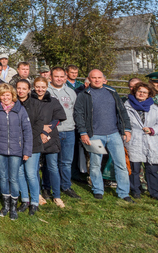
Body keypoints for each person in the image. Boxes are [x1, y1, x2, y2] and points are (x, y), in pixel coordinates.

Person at [73, 69, 133, 202]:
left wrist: (126, 129)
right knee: (95, 165)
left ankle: (123, 192)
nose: (97, 80)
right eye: (93, 78)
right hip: (95, 135)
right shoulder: (84, 95)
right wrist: (83, 133)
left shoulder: (111, 92)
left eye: (99, 77)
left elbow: (121, 111)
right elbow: (78, 114)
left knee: (121, 164)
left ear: (104, 79)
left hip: (114, 134)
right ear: (89, 79)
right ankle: (98, 190)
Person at [18, 77, 67, 215]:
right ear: (33, 87)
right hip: (34, 137)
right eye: (37, 87)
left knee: (52, 167)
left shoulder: (52, 100)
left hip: (49, 137)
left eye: (43, 87)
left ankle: (56, 195)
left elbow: (57, 118)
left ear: (47, 87)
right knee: (32, 170)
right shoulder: (29, 101)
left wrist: (45, 131)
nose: (40, 89)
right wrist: (39, 132)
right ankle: (37, 195)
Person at [0, 83, 32, 220]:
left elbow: (27, 131)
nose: (5, 97)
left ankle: (13, 207)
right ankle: (5, 205)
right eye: (3, 95)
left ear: (12, 95)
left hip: (16, 150)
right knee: (3, 178)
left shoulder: (20, 110)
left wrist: (27, 151)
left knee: (14, 178)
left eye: (8, 95)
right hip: (0, 150)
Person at [124, 81, 158, 202]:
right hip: (134, 139)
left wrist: (153, 130)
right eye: (139, 91)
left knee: (152, 169)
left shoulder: (154, 107)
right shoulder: (127, 106)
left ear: (148, 94)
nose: (141, 94)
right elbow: (122, 121)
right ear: (135, 92)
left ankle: (155, 193)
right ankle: (135, 191)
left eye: (144, 92)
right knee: (134, 168)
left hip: (150, 140)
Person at [47, 67, 81, 199]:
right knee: (51, 163)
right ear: (51, 77)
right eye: (56, 76)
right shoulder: (47, 91)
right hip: (53, 131)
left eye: (62, 77)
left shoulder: (71, 92)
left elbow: (75, 110)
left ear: (65, 77)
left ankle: (66, 185)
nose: (59, 79)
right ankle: (49, 186)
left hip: (68, 131)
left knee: (66, 161)